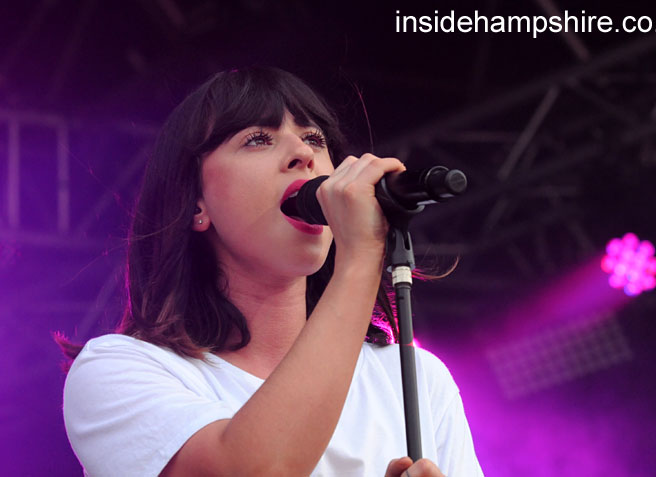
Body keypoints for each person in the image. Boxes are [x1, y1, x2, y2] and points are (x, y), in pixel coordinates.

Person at [59, 66, 483, 476]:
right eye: (258, 139)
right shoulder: (120, 371)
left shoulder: (415, 379)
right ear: (195, 204)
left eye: (315, 138)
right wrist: (359, 259)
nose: (303, 154)